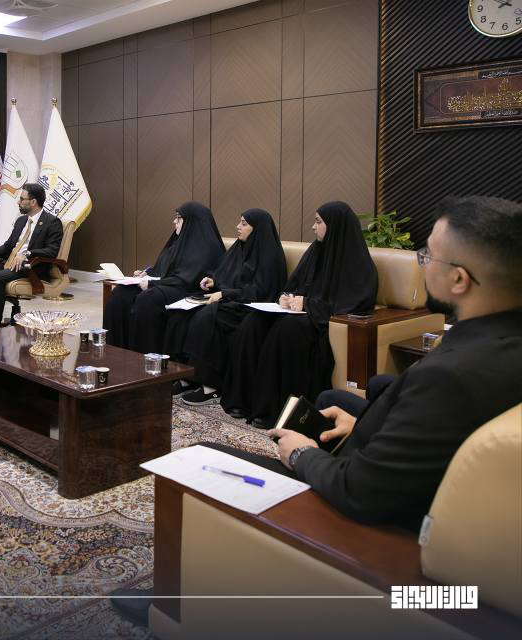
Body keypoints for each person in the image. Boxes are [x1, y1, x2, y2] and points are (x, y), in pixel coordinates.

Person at [113, 195, 522, 627]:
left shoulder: (447, 378)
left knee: (202, 459)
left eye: (427, 255)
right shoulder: (496, 346)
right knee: (330, 401)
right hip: (410, 480)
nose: (421, 264)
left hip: (376, 531)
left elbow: (359, 491)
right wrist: (364, 420)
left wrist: (301, 454)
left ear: (458, 279)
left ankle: (172, 603)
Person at [219, 201, 377, 425]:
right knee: (254, 322)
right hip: (300, 315)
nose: (313, 227)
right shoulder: (315, 251)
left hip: (321, 324)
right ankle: (244, 401)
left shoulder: (357, 263)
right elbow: (294, 285)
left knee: (286, 330)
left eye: (318, 222)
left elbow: (353, 303)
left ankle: (274, 410)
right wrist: (286, 297)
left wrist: (307, 304)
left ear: (335, 225)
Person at [166, 209, 287, 403]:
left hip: (249, 306)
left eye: (244, 223)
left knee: (207, 317)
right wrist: (213, 281)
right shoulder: (239, 248)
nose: (238, 227)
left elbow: (260, 291)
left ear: (257, 229)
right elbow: (225, 273)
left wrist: (225, 293)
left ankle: (211, 385)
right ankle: (187, 376)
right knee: (183, 313)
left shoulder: (269, 256)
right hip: (230, 300)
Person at [104, 202, 224, 354]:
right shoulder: (178, 242)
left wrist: (153, 284)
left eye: (179, 218)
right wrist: (148, 273)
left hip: (189, 290)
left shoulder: (208, 248)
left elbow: (188, 279)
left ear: (192, 221)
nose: (174, 221)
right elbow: (165, 267)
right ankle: (116, 352)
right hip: (169, 284)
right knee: (120, 293)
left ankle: (145, 358)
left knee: (148, 299)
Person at [0, 183, 63, 331]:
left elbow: (52, 251)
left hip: (30, 267)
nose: (18, 202)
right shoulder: (21, 221)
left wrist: (27, 254)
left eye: (22, 199)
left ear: (33, 202)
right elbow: (8, 247)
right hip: (8, 264)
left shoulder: (52, 222)